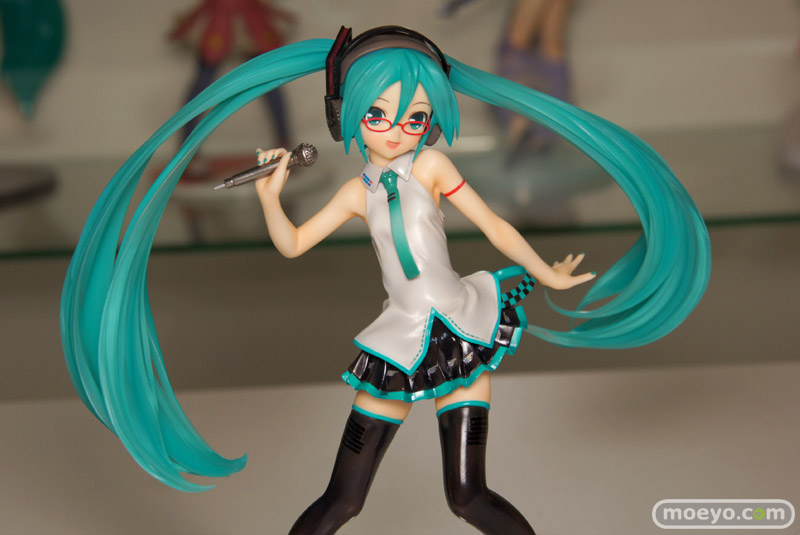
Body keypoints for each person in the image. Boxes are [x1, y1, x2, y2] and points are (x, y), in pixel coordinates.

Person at [60, 25, 711, 535]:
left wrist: (544, 271)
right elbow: (293, 245)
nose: (398, 131)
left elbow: (492, 223)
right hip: (398, 346)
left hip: (462, 333)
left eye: (415, 118)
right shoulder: (355, 192)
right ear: (345, 113)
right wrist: (270, 196)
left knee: (467, 495)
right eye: (379, 114)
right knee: (343, 498)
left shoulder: (432, 167)